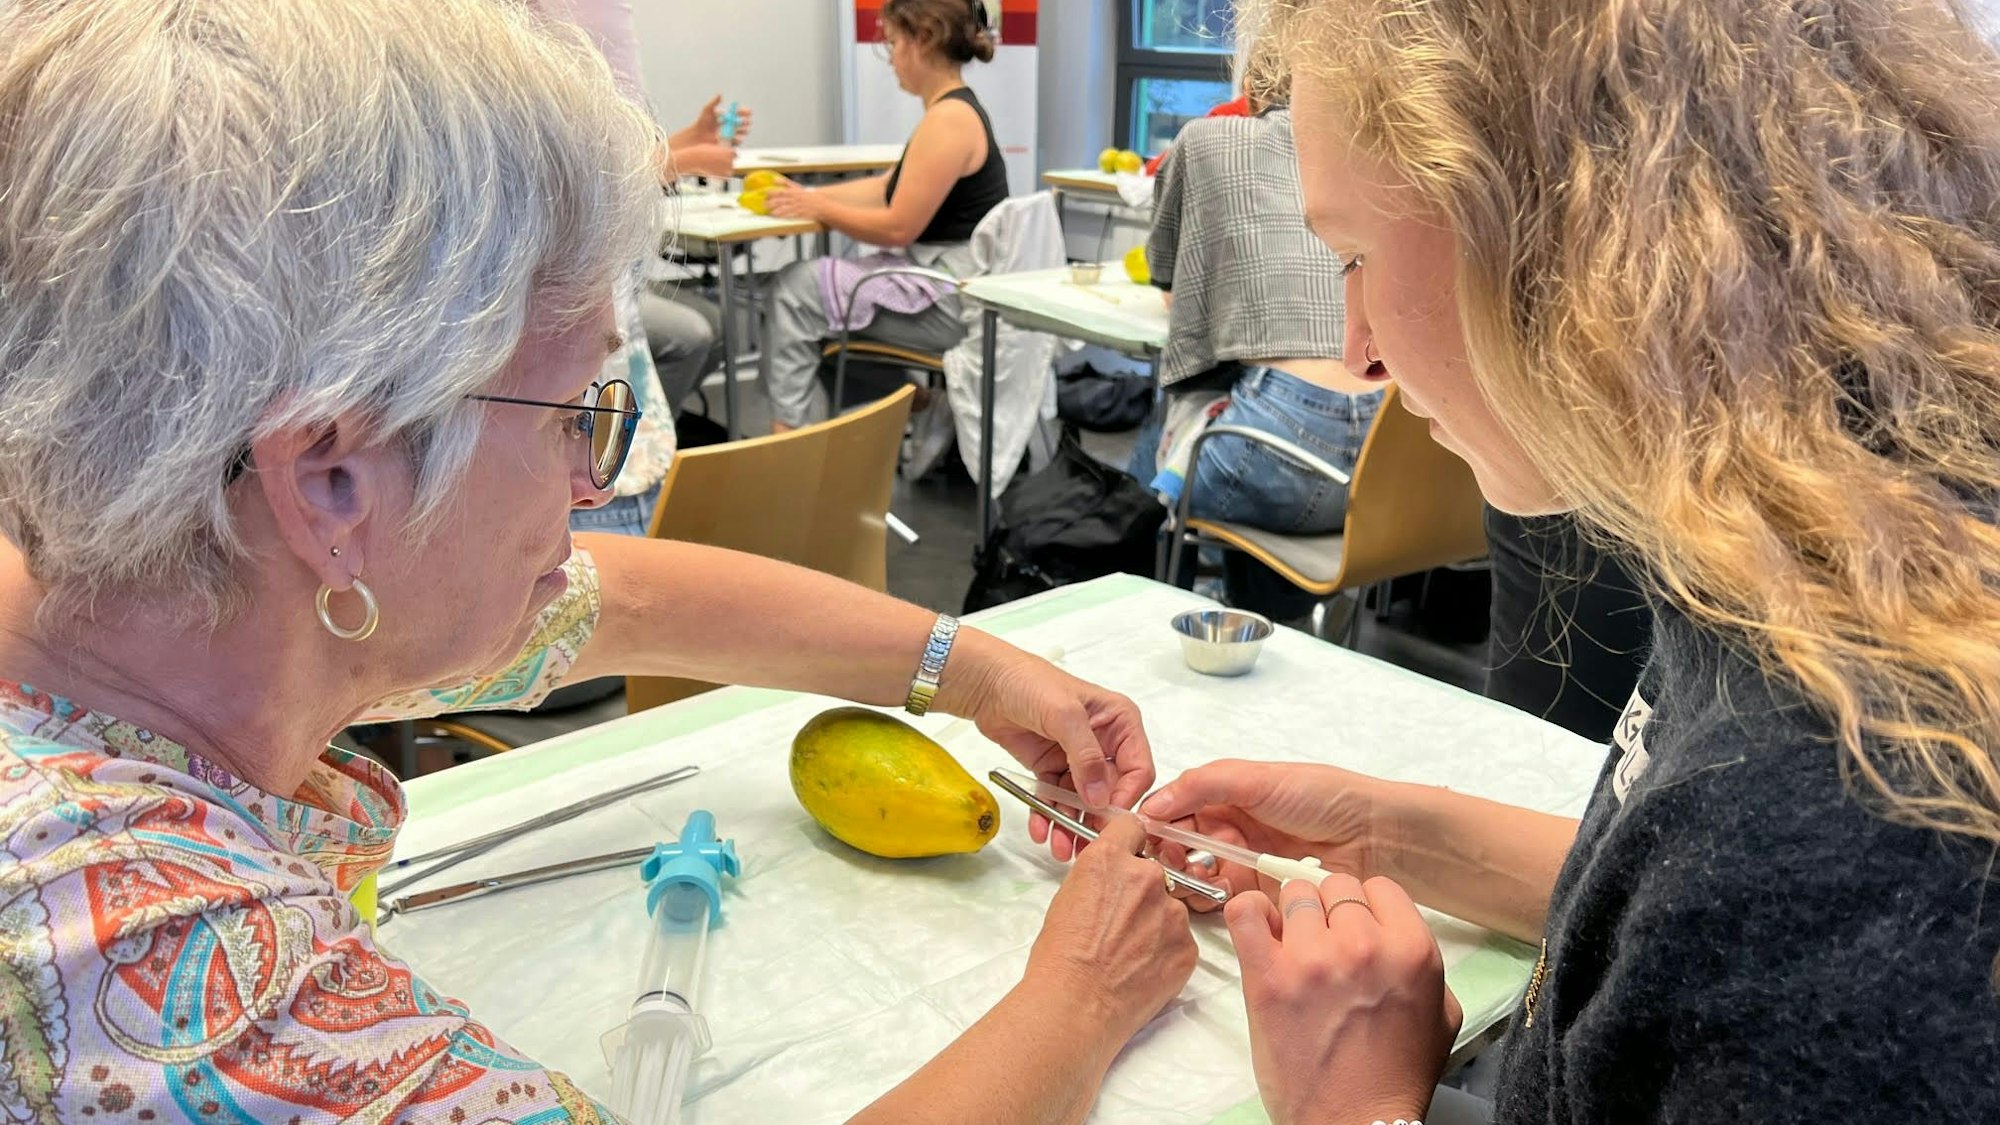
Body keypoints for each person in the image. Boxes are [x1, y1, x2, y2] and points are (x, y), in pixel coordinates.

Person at [0, 2, 1196, 1121]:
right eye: (574, 411)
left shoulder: (162, 593)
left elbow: (619, 602)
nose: (600, 479)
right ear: (330, 481)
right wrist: (1080, 999)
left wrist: (974, 671)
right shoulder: (151, 973)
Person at [1139, 0, 2000, 1119]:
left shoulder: (1851, 837)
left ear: (1566, 237)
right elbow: (1677, 911)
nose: (1356, 345)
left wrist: (1353, 1103)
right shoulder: (1817, 552)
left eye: (1351, 256)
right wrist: (1383, 833)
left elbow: (1756, 906)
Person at [1128, 59, 1384, 621]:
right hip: (1392, 460)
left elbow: (1169, 281)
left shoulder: (1209, 139)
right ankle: (1261, 618)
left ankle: (1139, 632)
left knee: (1148, 463)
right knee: (1234, 409)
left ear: (1251, 82)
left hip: (1283, 446)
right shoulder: (1383, 153)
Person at [532, 0, 745, 538]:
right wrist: (685, 159)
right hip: (570, 330)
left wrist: (680, 147)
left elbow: (602, 160)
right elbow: (590, 179)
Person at [760, 0, 1009, 431]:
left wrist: (818, 207)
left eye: (894, 43)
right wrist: (804, 196)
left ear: (924, 40)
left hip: (950, 299)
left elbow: (897, 226)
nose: (891, 57)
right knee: (824, 299)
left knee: (794, 288)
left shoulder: (949, 120)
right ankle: (907, 398)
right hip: (953, 284)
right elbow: (885, 188)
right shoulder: (952, 111)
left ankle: (786, 437)